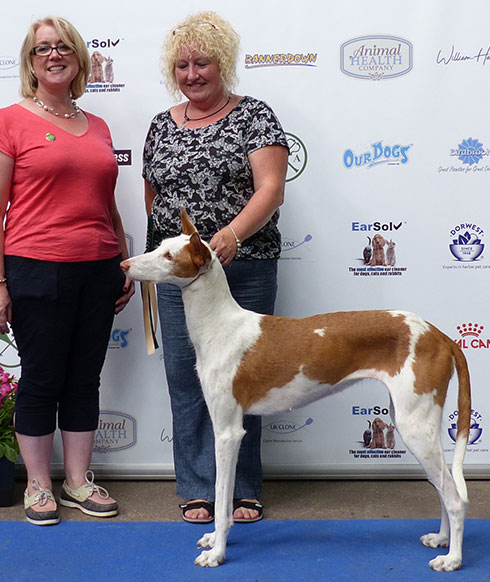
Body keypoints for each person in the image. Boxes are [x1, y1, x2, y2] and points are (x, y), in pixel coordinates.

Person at [143, 11, 289, 524]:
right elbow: (154, 198)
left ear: (221, 62)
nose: (191, 73)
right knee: (187, 379)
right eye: (182, 65)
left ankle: (243, 488)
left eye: (201, 62)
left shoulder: (255, 115)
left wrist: (230, 235)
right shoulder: (161, 124)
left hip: (243, 265)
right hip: (180, 278)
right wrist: (168, 259)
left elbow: (271, 188)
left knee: (242, 380)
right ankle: (198, 487)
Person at [0, 16, 134, 525]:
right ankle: (38, 485)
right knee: (41, 378)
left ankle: (78, 481)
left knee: (84, 379)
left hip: (98, 267)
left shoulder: (96, 125)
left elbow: (108, 203)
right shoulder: (9, 120)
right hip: (34, 267)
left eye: (62, 48)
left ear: (78, 57)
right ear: (30, 62)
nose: (53, 56)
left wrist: (121, 257)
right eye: (42, 50)